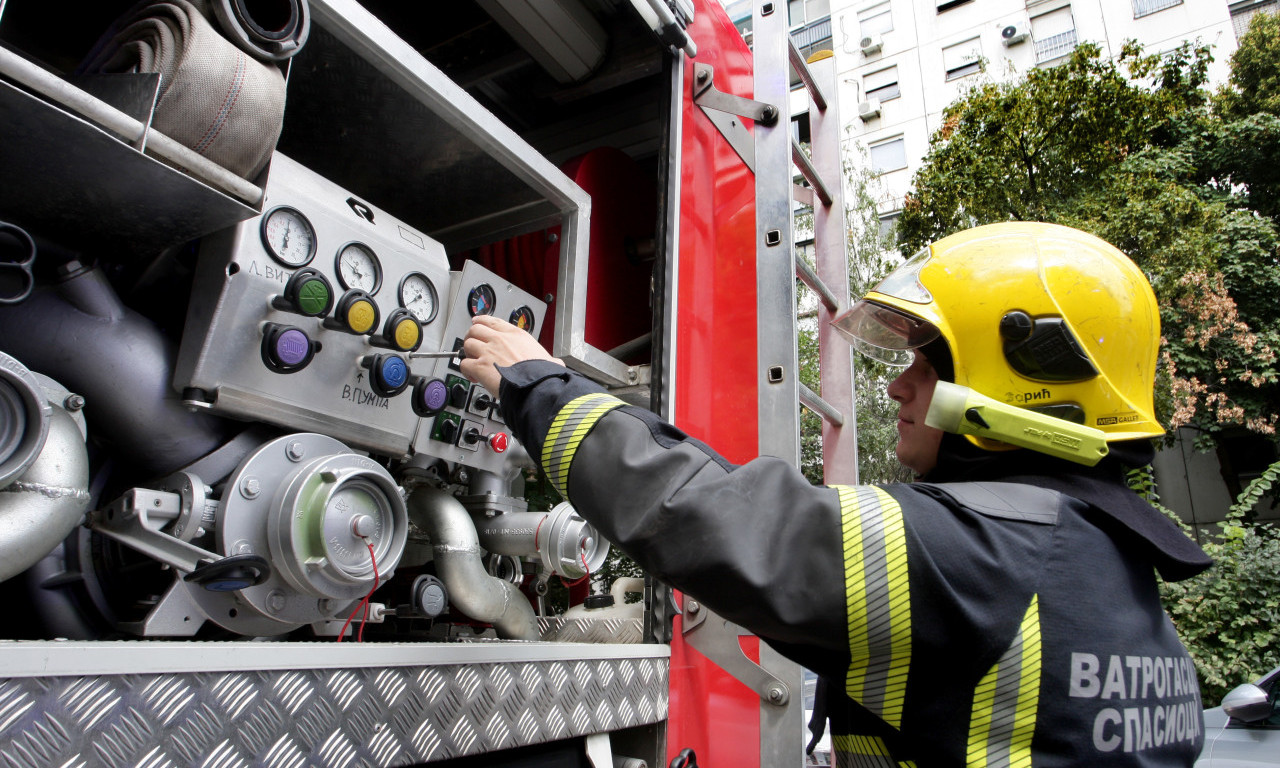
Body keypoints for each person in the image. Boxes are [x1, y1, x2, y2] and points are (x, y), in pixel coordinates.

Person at [461, 221, 1211, 766]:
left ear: (1015, 374)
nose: (898, 384)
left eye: (928, 363)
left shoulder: (984, 550)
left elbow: (716, 518)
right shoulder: (1108, 567)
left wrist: (539, 387)